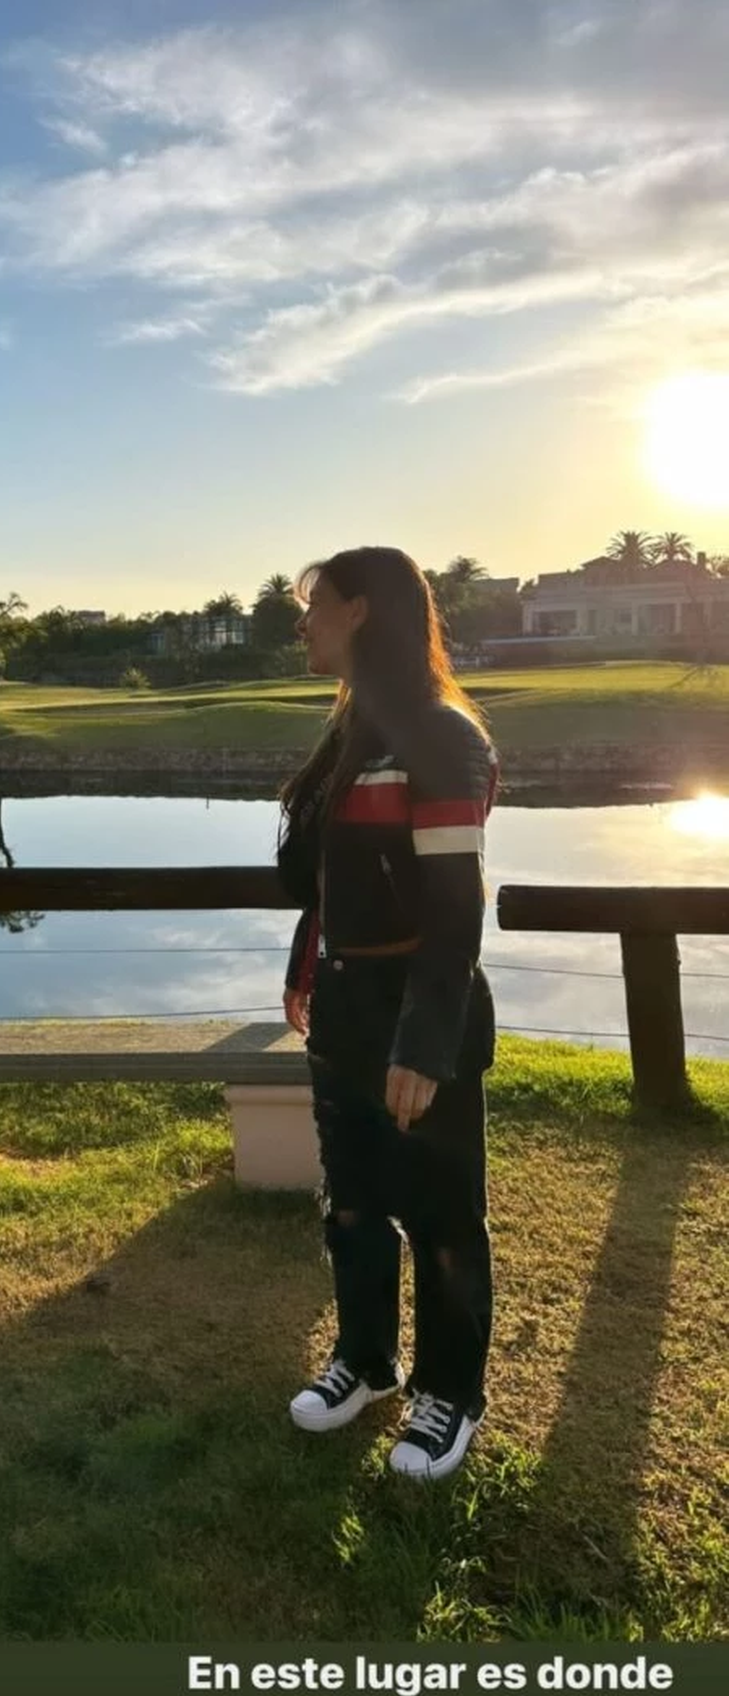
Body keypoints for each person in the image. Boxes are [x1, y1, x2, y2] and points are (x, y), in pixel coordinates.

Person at [277, 547, 498, 1480]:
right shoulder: (350, 732)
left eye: (313, 605)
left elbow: (456, 910)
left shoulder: (441, 737)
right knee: (355, 1204)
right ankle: (367, 1362)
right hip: (343, 1005)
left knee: (444, 1217)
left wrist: (425, 1041)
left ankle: (451, 1394)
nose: (304, 623)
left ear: (363, 611)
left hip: (418, 1009)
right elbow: (321, 881)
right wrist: (309, 969)